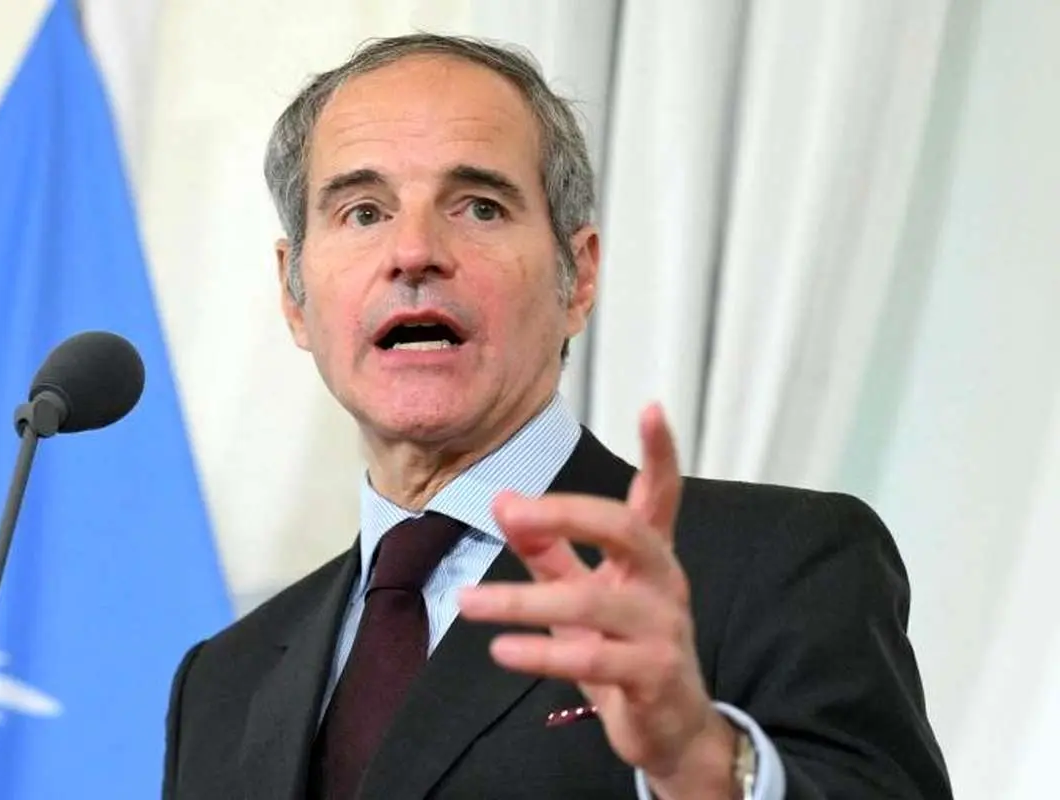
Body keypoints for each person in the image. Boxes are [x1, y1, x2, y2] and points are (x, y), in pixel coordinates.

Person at [161, 33, 951, 799]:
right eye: (364, 212)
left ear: (580, 278)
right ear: (293, 294)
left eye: (479, 207)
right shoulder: (223, 681)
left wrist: (706, 767)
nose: (414, 251)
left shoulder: (775, 563)